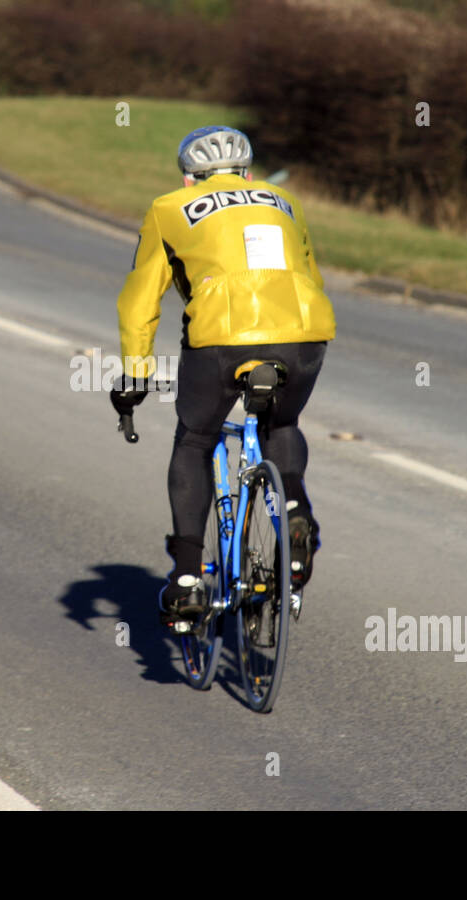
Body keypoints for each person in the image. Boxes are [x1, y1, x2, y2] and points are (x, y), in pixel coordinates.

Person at [110, 126, 336, 629]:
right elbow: (311, 277)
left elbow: (141, 299)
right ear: (249, 175)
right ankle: (295, 509)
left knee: (194, 440)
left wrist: (135, 374)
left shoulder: (169, 207)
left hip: (222, 336)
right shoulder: (285, 202)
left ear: (189, 180)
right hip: (304, 331)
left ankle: (188, 579)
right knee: (282, 424)